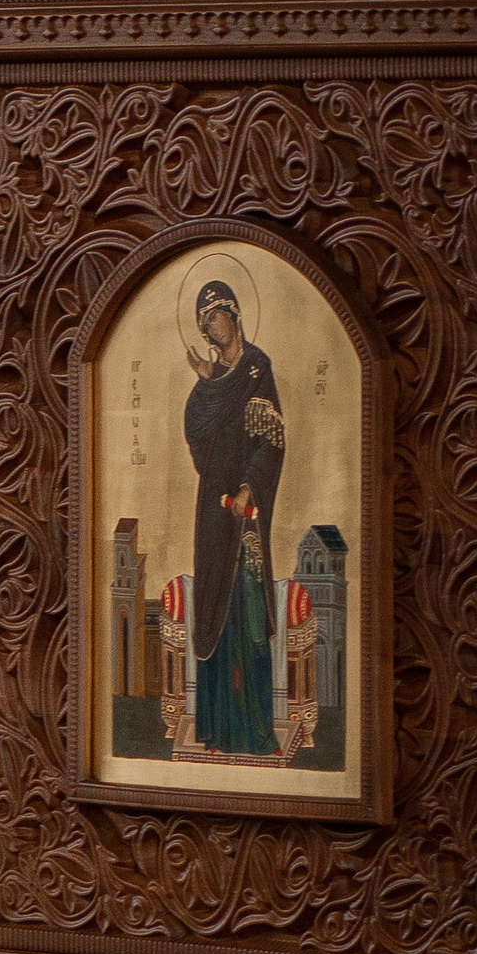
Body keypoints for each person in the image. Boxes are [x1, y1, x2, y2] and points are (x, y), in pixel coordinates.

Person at [182, 276, 284, 758]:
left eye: (215, 316)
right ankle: (218, 731)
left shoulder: (257, 369)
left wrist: (248, 487)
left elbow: (272, 442)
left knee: (247, 614)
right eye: (204, 322)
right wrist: (208, 385)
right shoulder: (211, 382)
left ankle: (255, 733)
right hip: (212, 510)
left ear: (234, 314)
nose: (210, 328)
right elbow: (196, 435)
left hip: (244, 514)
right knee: (213, 609)